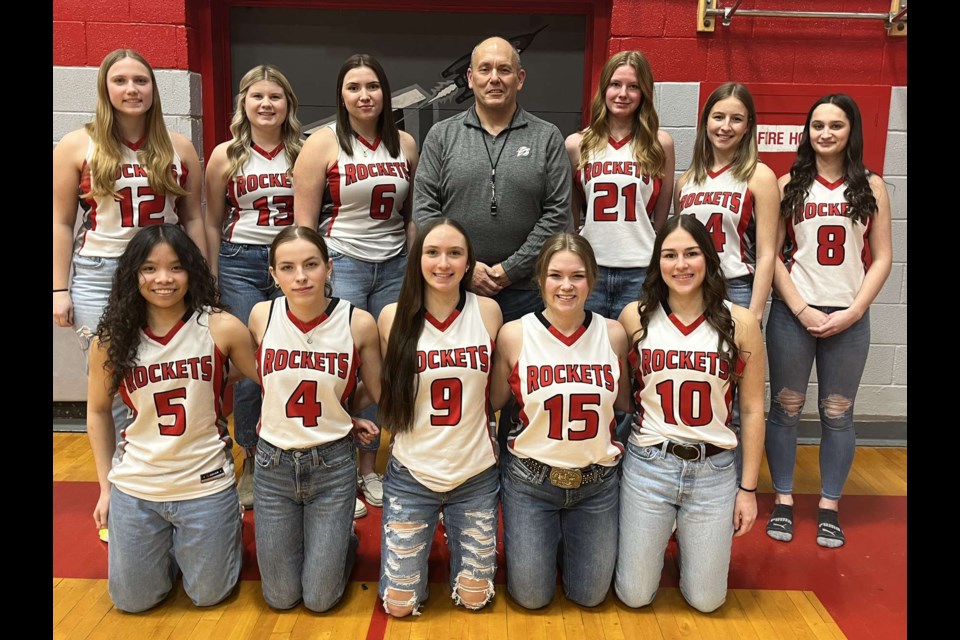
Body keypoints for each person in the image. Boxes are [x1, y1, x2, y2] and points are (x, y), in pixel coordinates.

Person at [85, 224, 258, 613]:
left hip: (204, 481)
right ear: (133, 274)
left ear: (191, 272)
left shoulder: (220, 326)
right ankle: (169, 543)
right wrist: (105, 488)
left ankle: (216, 526)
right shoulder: (111, 339)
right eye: (149, 269)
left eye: (176, 267)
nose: (163, 279)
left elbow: (265, 376)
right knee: (132, 601)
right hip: (138, 484)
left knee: (209, 595)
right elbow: (97, 412)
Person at [615, 215, 765, 613]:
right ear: (657, 263)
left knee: (707, 601)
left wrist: (747, 491)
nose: (681, 265)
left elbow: (751, 410)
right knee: (634, 596)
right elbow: (623, 396)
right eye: (670, 255)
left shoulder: (742, 322)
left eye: (691, 253)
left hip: (713, 471)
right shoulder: (634, 317)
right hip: (650, 463)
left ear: (709, 259)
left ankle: (691, 543)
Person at [54, 49, 205, 440]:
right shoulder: (75, 145)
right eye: (120, 81)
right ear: (105, 88)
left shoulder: (180, 146)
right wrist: (58, 288)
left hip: (164, 271)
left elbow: (192, 218)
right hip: (99, 271)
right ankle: (121, 472)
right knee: (109, 376)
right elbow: (61, 221)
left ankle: (160, 454)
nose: (132, 89)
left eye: (141, 80)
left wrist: (207, 278)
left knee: (165, 364)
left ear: (154, 88)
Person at [764, 94, 892, 548]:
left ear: (850, 130)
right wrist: (799, 306)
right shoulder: (788, 184)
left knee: (838, 413)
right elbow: (771, 255)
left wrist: (855, 310)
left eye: (835, 125)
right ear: (807, 131)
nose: (825, 133)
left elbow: (883, 257)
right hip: (793, 313)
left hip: (849, 316)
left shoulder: (872, 186)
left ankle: (828, 506)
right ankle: (782, 499)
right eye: (817, 125)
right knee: (786, 406)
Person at [293, 54, 419, 517]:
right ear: (341, 95)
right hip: (343, 259)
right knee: (340, 363)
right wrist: (315, 271)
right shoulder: (321, 143)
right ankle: (340, 466)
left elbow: (410, 218)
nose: (364, 95)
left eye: (372, 86)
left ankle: (370, 466)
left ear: (385, 93)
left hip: (391, 264)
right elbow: (304, 223)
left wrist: (410, 265)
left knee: (383, 367)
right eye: (353, 87)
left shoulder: (404, 143)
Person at [490, 233, 632, 609]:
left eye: (578, 276)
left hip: (596, 484)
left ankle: (565, 539)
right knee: (532, 598)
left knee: (590, 596)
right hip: (530, 482)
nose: (566, 286)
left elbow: (626, 404)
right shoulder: (514, 334)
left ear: (593, 281)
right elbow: (490, 404)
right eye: (555, 276)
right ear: (540, 280)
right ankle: (545, 539)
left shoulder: (614, 334)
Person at [248, 225, 382, 612]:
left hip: (333, 462)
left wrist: (342, 412)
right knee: (280, 598)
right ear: (273, 274)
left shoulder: (357, 322)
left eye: (311, 264)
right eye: (287, 268)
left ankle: (344, 537)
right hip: (273, 463)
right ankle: (325, 537)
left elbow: (375, 387)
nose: (300, 276)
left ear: (329, 266)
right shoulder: (261, 316)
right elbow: (262, 382)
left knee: (321, 600)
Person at [377, 218, 503, 617]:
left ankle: (456, 538)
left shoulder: (488, 311)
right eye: (432, 252)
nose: (443, 263)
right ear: (417, 259)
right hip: (413, 472)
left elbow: (496, 391)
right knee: (398, 605)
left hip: (475, 472)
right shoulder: (391, 316)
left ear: (469, 263)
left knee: (474, 599)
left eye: (455, 253)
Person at [413, 35, 572, 323]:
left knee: (520, 368)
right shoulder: (441, 136)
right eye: (485, 70)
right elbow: (424, 209)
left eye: (504, 70)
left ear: (520, 79)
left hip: (528, 291)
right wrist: (465, 267)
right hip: (454, 287)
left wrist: (509, 270)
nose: (494, 78)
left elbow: (557, 214)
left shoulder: (547, 136)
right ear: (471, 78)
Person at [204, 64, 302, 509]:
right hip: (240, 262)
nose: (266, 104)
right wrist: (210, 275)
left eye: (275, 97)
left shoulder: (304, 150)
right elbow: (208, 219)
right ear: (244, 102)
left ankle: (299, 448)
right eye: (258, 96)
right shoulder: (227, 155)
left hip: (290, 265)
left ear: (288, 105)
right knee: (247, 367)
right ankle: (252, 458)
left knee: (294, 361)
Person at [565, 50, 675, 319]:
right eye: (615, 84)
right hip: (590, 268)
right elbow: (572, 214)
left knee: (635, 353)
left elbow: (661, 219)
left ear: (644, 93)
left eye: (633, 87)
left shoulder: (660, 144)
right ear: (604, 88)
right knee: (590, 354)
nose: (623, 94)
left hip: (640, 269)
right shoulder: (577, 144)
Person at [674, 82, 779, 323]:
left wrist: (756, 311)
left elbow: (766, 254)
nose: (725, 127)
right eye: (718, 117)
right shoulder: (687, 180)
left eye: (736, 119)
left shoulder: (760, 176)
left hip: (736, 287)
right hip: (690, 288)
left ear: (748, 126)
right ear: (706, 122)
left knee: (736, 360)